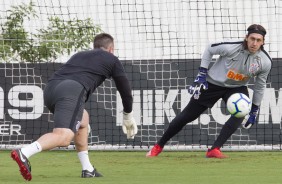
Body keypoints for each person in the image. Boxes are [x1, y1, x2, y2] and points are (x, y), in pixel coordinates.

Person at [11, 33, 138, 181]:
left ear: (94, 46)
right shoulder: (112, 59)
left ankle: (87, 169)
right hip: (71, 89)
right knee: (64, 137)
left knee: (83, 120)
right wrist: (128, 115)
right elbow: (125, 91)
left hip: (50, 89)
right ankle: (24, 152)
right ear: (111, 49)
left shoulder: (79, 55)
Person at [146, 24, 272, 158]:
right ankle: (158, 146)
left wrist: (254, 109)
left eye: (258, 40)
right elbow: (209, 48)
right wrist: (202, 74)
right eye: (252, 38)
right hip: (212, 83)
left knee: (241, 111)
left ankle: (214, 149)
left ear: (263, 42)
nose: (254, 43)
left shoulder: (265, 62)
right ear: (246, 37)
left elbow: (260, 86)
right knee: (187, 116)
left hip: (237, 87)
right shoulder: (231, 47)